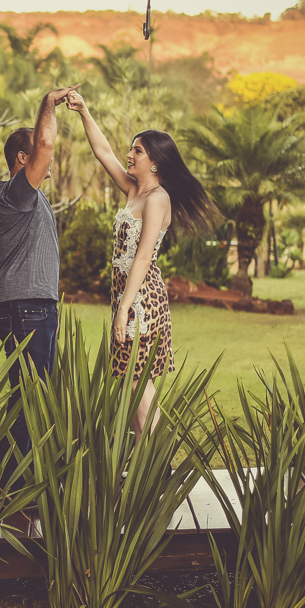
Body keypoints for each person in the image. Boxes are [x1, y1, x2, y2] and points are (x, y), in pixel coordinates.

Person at [68, 89, 215, 437]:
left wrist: (124, 309)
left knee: (136, 384)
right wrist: (84, 112)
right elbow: (103, 152)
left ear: (155, 162)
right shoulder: (135, 190)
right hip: (126, 298)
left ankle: (158, 466)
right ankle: (144, 466)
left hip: (141, 301)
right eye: (131, 149)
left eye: (137, 150)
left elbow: (144, 256)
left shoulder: (157, 199)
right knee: (127, 385)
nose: (129, 154)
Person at [0, 84, 80, 492]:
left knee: (27, 400)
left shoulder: (30, 197)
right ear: (22, 159)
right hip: (27, 309)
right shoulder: (16, 194)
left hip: (31, 308)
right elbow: (46, 141)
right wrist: (49, 101)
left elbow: (44, 145)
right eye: (39, 158)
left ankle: (18, 485)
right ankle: (16, 490)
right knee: (29, 401)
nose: (49, 162)